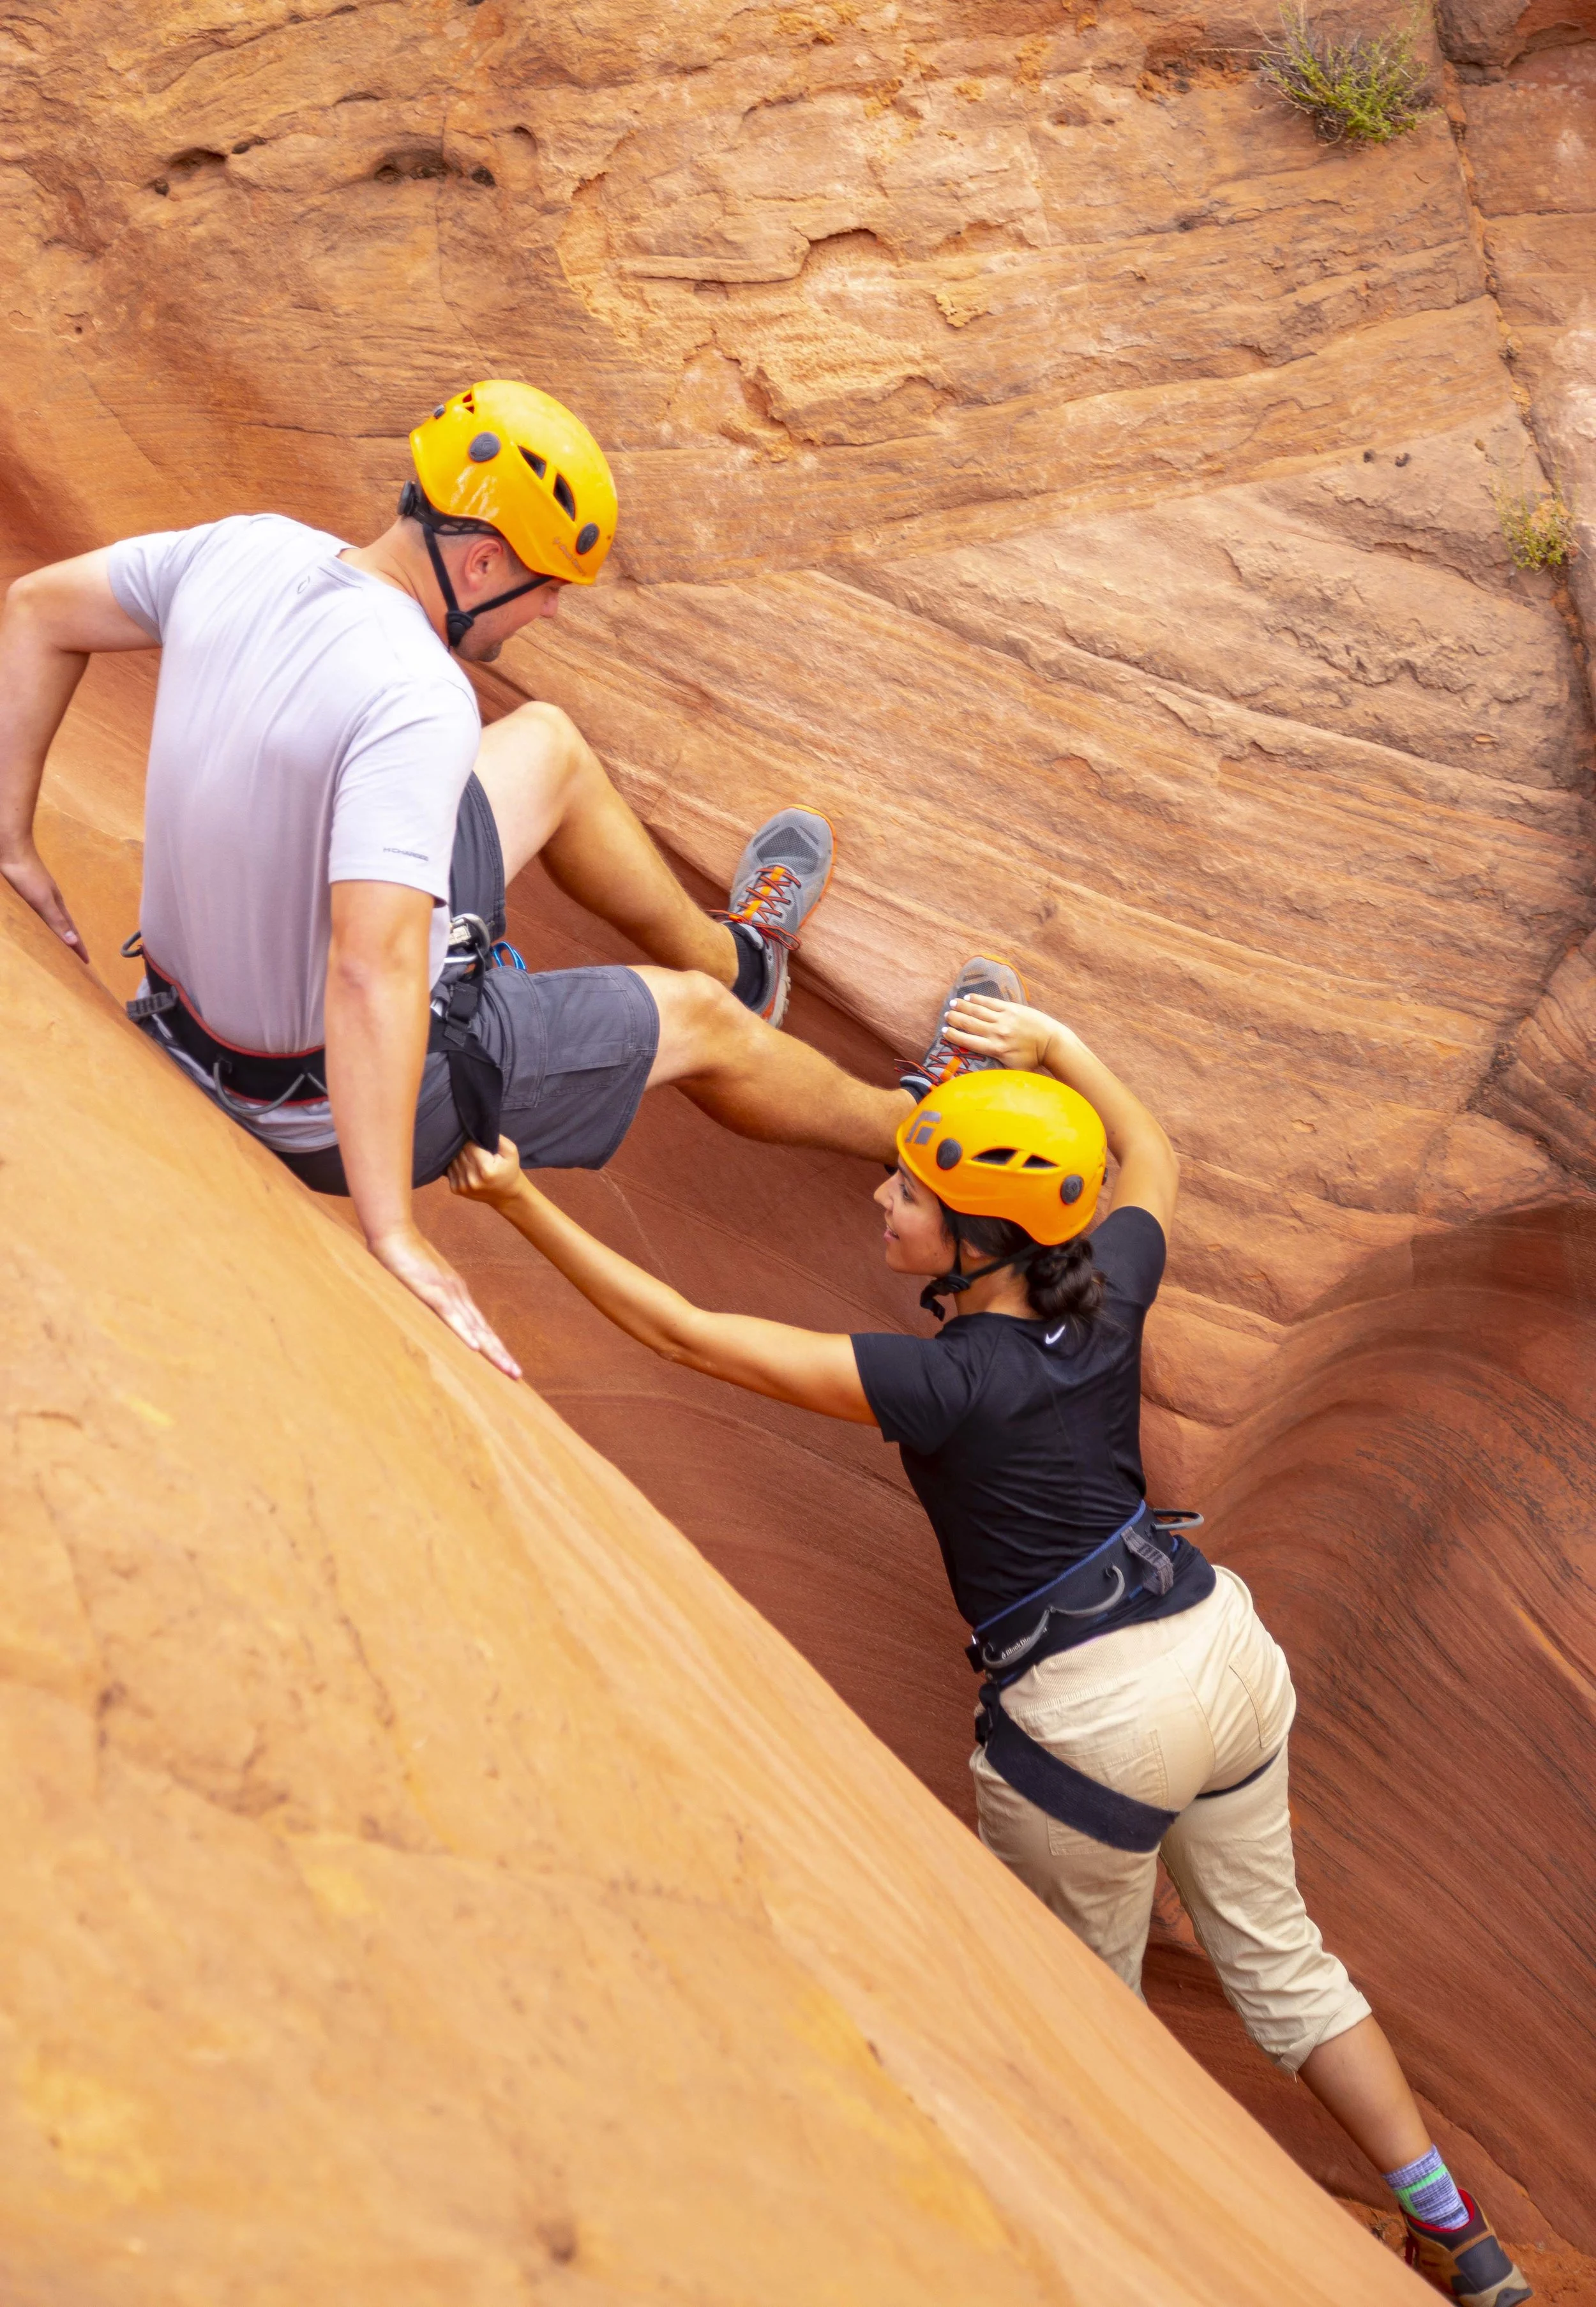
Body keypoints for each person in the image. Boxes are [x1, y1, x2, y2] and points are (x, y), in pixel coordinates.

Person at [446, 991, 1532, 2306]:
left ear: (977, 1241)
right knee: (1287, 1967)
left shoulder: (947, 1381)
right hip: (1218, 1652)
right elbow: (1151, 1153)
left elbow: (685, 1330)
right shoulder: (1108, 1285)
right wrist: (1056, 1047)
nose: (881, 1198)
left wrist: (519, 1202)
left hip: (1094, 1727)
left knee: (1085, 2041)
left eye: (908, 1192)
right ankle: (1462, 2242)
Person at [0, 377, 990, 1382]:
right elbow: (371, 968)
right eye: (547, 584)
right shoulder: (417, 696)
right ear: (480, 563)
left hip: (188, 1010)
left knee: (549, 746)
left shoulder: (243, 547)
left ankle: (743, 961)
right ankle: (918, 1125)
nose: (553, 607)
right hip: (325, 1099)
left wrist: (11, 839)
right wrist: (391, 1229)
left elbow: (37, 609)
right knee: (695, 1023)